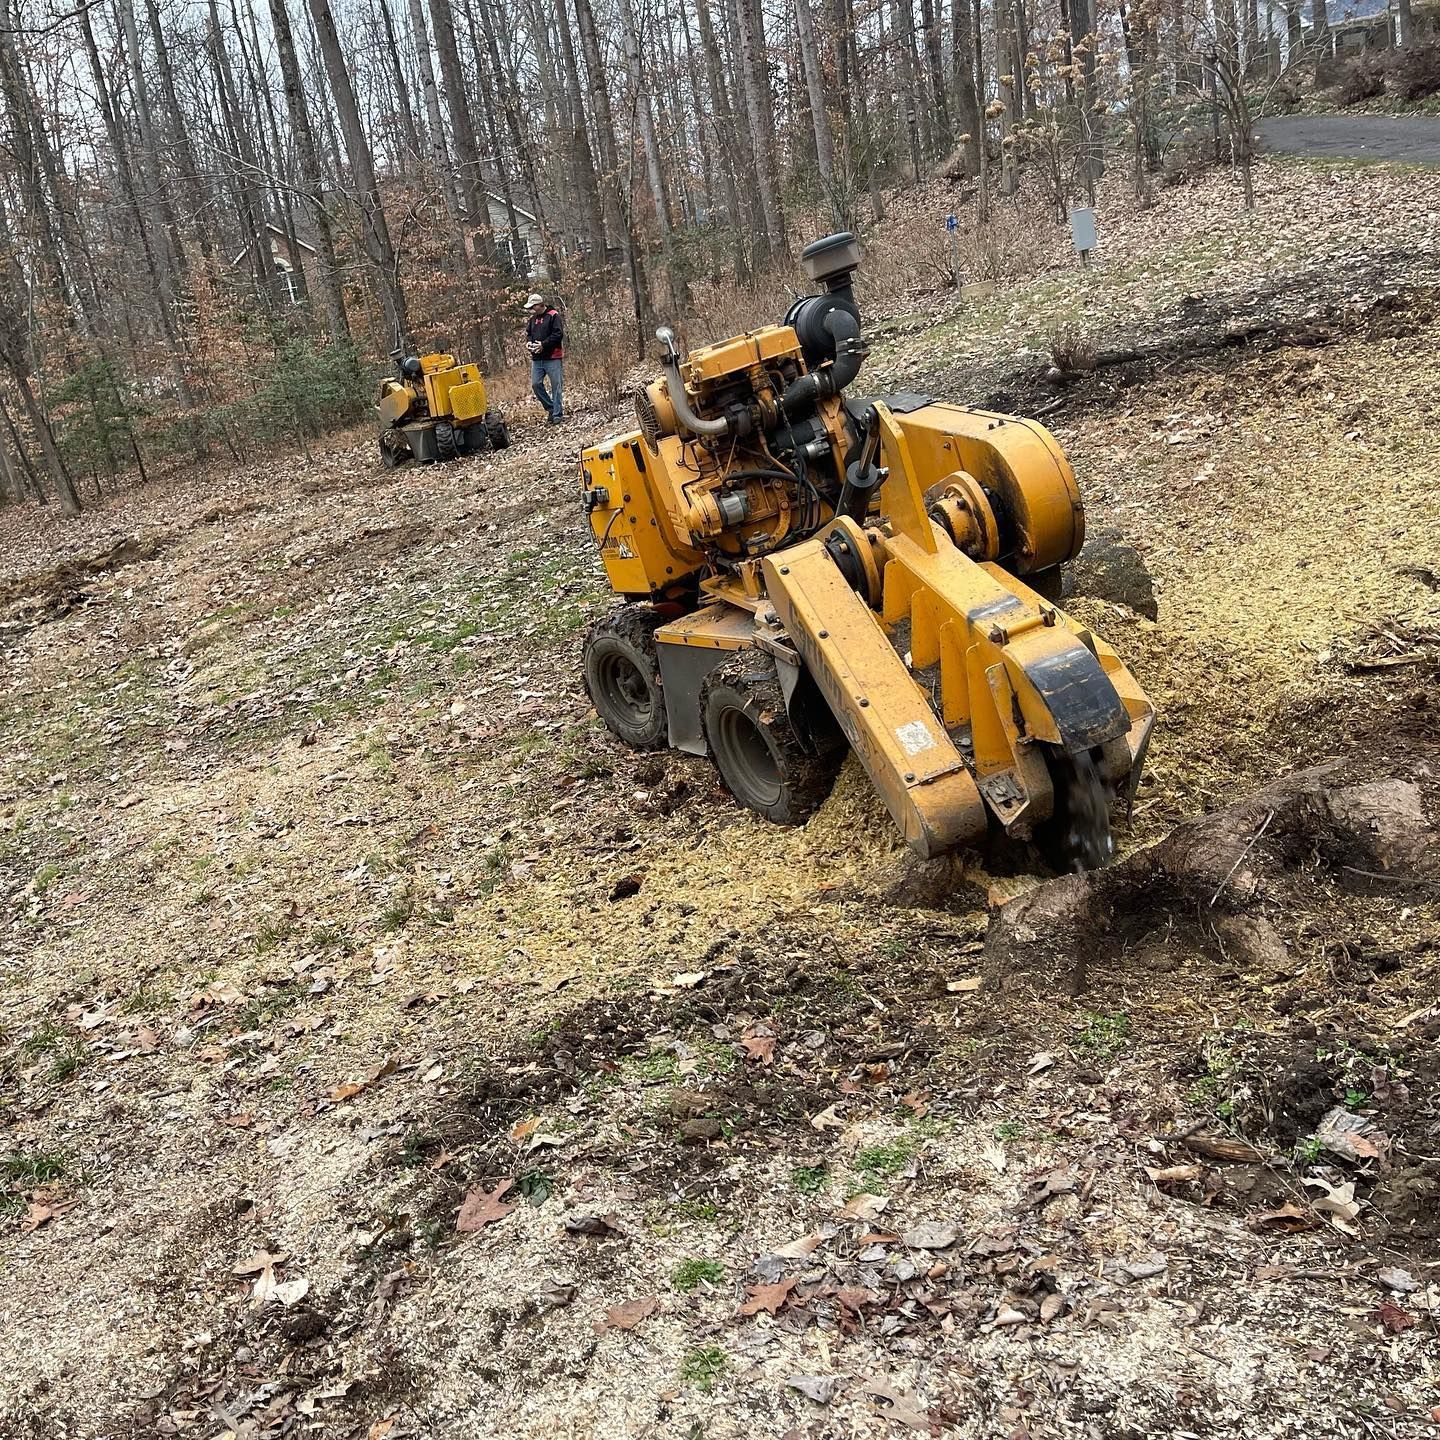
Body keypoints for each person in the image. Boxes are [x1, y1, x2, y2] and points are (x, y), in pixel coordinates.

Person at [524, 293, 565, 424]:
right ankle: (551, 408)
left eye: (533, 306)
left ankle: (557, 414)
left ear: (540, 304)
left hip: (553, 357)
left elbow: (558, 334)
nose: (531, 309)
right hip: (537, 359)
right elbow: (529, 334)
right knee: (536, 384)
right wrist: (529, 343)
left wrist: (543, 344)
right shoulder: (533, 319)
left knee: (556, 386)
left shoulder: (553, 315)